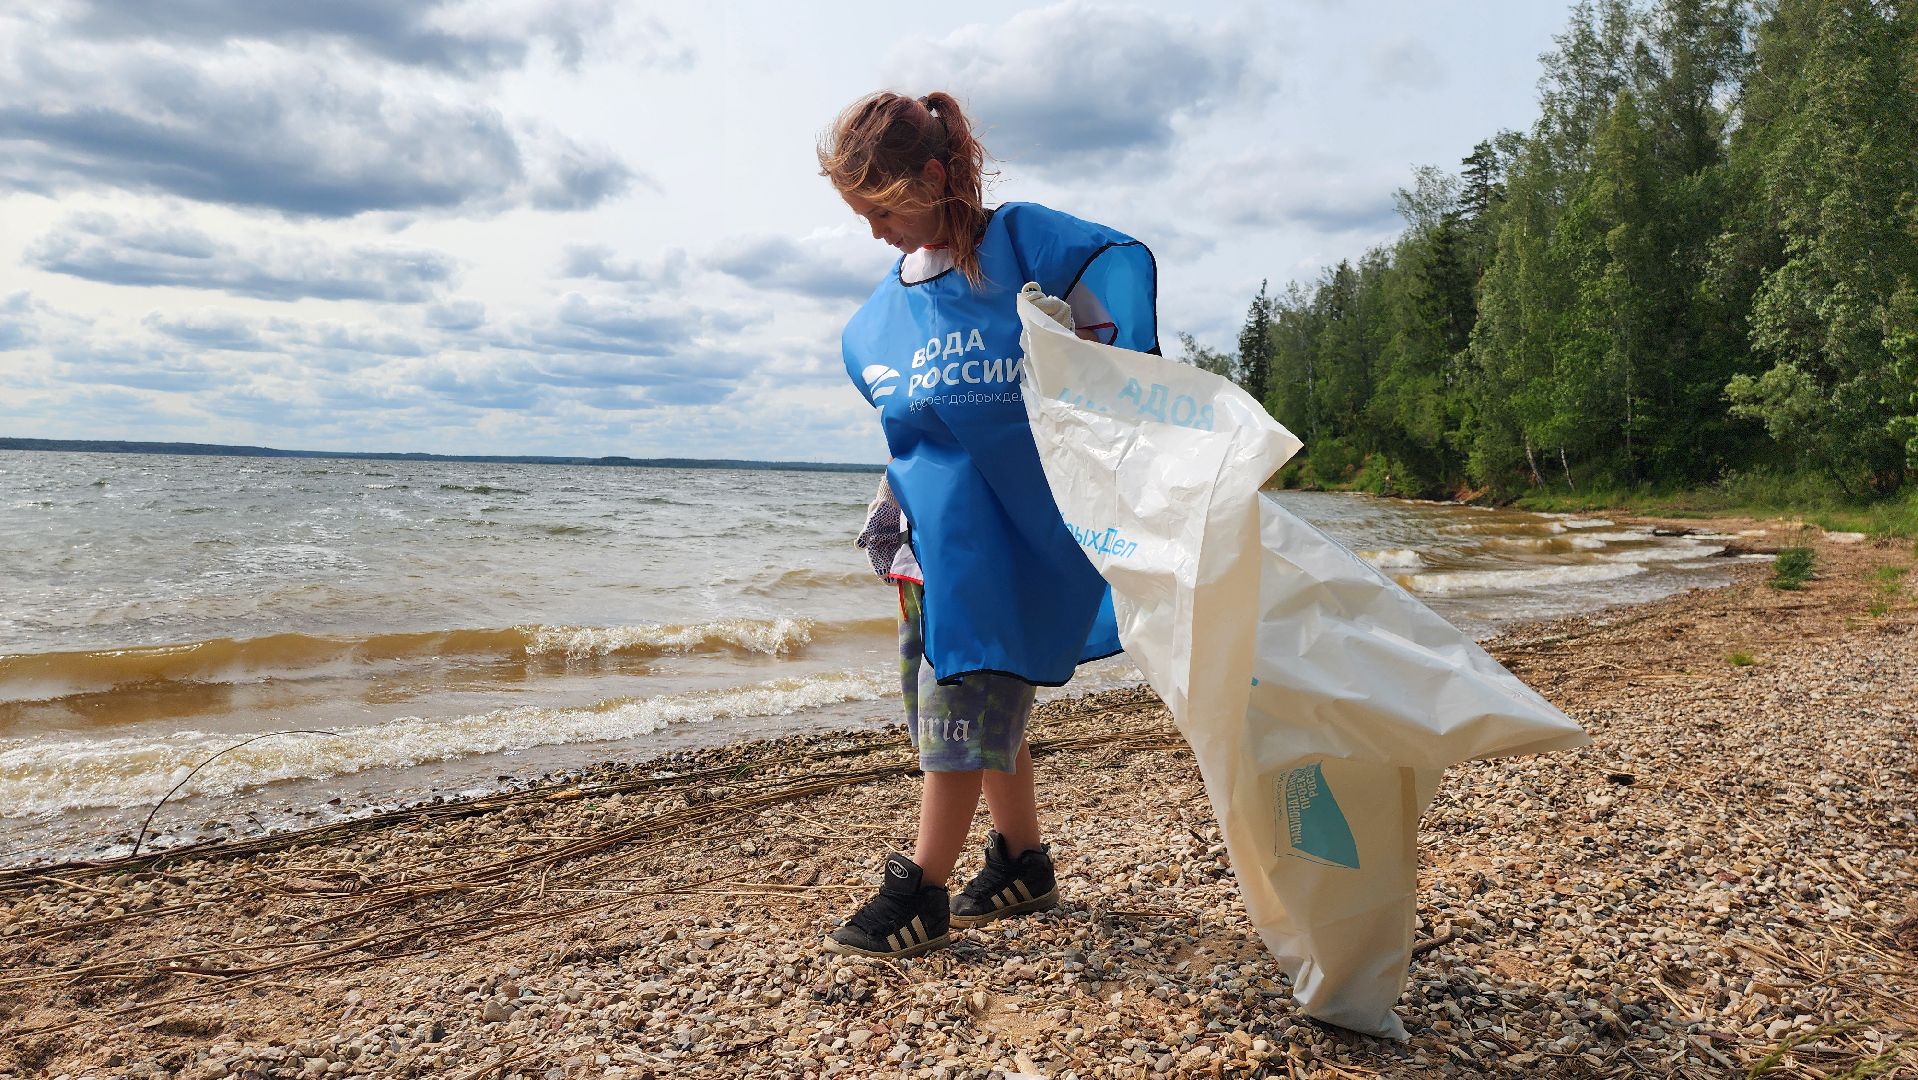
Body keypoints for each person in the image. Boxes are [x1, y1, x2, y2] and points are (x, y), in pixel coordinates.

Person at [817, 90, 1159, 958]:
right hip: (933, 536)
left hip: (1014, 532)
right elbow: (915, 419)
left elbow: (1108, 323)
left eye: (883, 209)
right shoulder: (891, 304)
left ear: (934, 177)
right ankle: (1023, 861)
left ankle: (923, 889)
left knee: (962, 700)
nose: (874, 232)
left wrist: (1105, 375)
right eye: (861, 216)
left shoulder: (1022, 245)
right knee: (957, 688)